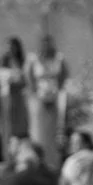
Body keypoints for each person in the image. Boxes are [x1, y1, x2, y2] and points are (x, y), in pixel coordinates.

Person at [26, 34, 69, 171]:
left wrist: (54, 91)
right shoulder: (34, 59)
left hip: (54, 99)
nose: (46, 46)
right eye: (44, 43)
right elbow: (30, 79)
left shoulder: (59, 58)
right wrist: (39, 93)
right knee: (39, 132)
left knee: (53, 132)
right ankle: (39, 161)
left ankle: (53, 162)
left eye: (48, 43)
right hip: (39, 100)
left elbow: (63, 76)